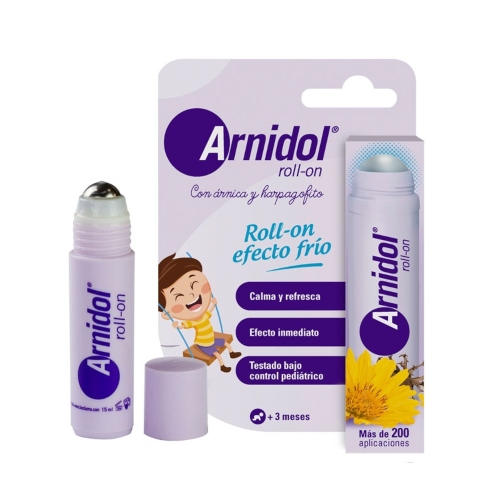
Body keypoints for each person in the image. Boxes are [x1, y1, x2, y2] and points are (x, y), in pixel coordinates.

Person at [158, 253, 241, 372]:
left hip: (212, 339)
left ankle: (232, 353)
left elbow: (210, 311)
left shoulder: (204, 316)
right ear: (167, 313)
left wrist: (213, 304)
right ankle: (223, 366)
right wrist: (177, 325)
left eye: (194, 284)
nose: (191, 295)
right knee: (217, 354)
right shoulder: (194, 322)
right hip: (204, 344)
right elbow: (184, 326)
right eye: (178, 296)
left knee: (226, 344)